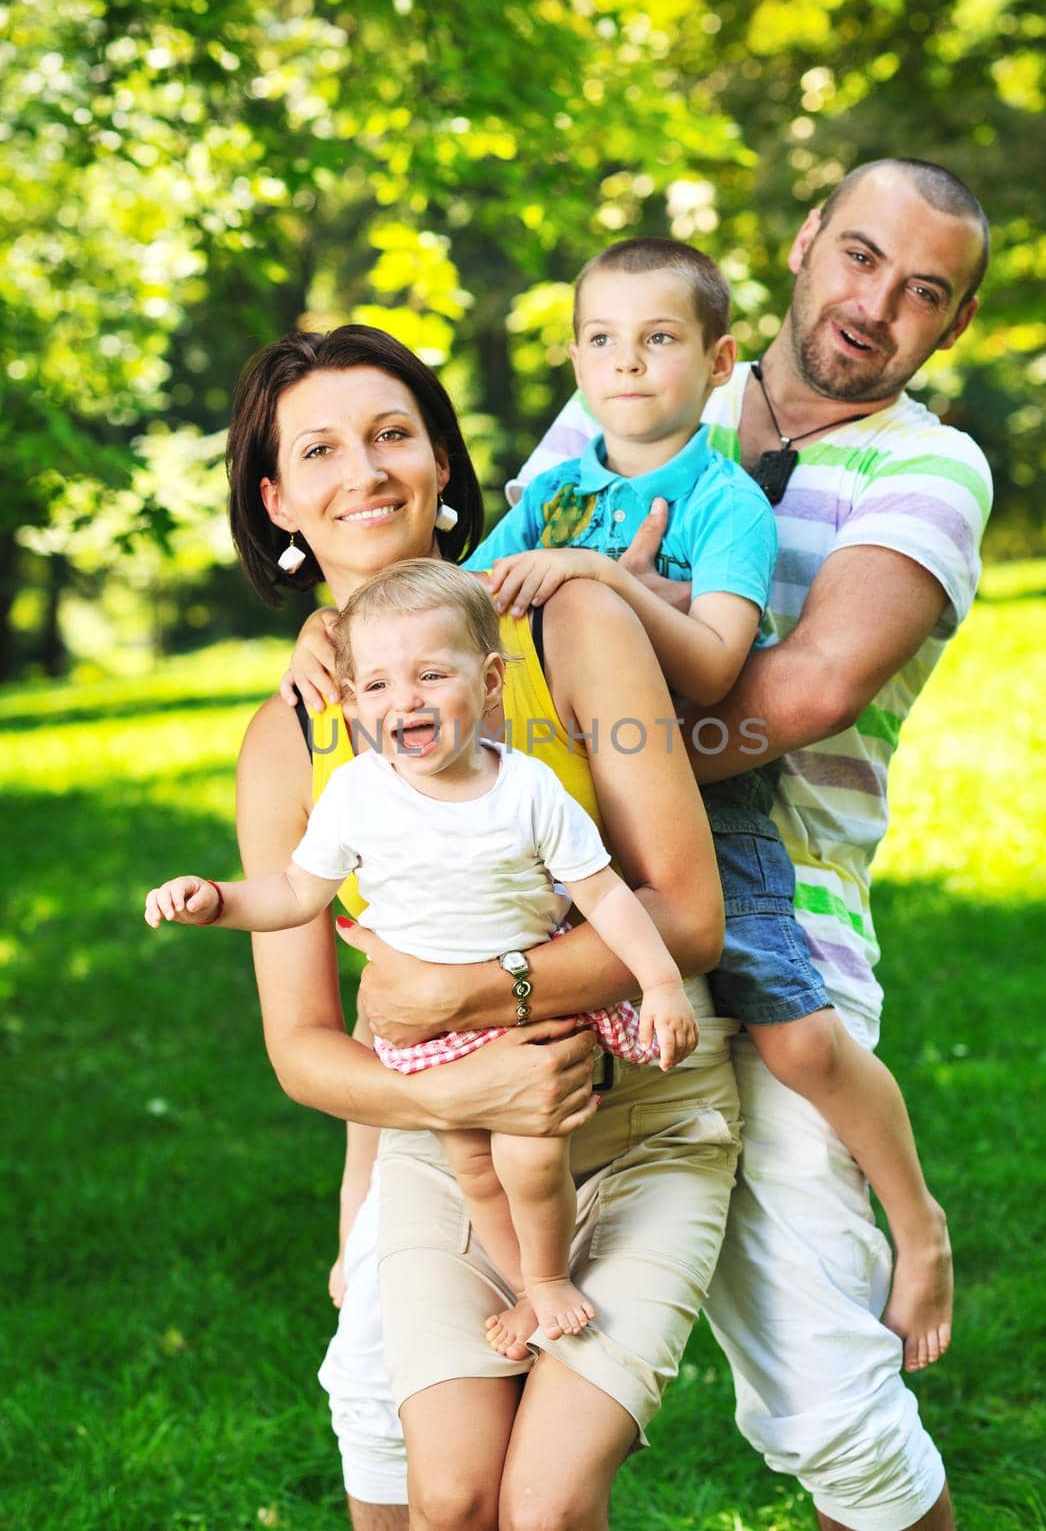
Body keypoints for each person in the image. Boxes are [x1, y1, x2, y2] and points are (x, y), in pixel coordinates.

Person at [292, 158, 990, 1531]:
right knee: (396, 1393)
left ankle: (917, 1235)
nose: (871, 305)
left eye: (919, 293)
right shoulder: (638, 377)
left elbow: (798, 695)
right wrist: (350, 627)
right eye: (856, 257)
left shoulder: (924, 465)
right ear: (804, 244)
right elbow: (485, 608)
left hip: (763, 909)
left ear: (950, 325)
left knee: (826, 1407)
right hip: (543, 893)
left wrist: (608, 665)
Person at [223, 322, 741, 1531]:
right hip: (440, 1147)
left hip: (643, 1118)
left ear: (444, 464)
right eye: (321, 450)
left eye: (392, 434)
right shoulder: (284, 741)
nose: (364, 471)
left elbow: (687, 914)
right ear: (279, 499)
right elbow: (302, 1046)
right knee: (447, 1499)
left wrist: (466, 998)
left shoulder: (566, 625)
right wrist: (466, 1093)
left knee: (544, 1508)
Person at [470, 234, 952, 1373]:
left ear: (719, 360)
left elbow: (714, 663)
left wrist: (592, 578)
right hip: (567, 811)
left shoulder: (723, 499)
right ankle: (513, 1276)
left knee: (791, 1034)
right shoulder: (555, 489)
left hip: (712, 815)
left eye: (657, 341)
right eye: (600, 340)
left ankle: (915, 1219)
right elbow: (466, 601)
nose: (625, 363)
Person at [147, 559, 701, 1353]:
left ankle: (546, 1281)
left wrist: (657, 984)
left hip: (529, 1004)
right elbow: (298, 893)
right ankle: (523, 1293)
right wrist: (219, 900)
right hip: (424, 1034)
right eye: (375, 686)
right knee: (474, 1168)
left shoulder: (528, 789)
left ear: (489, 684)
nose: (402, 699)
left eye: (430, 675)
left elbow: (606, 896)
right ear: (354, 702)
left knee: (527, 1157)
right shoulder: (357, 795)